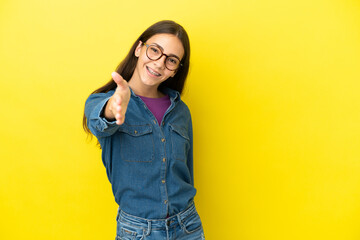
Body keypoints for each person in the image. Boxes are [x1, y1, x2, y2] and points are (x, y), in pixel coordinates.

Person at [83, 20, 205, 240]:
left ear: (176, 70)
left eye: (171, 60)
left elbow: (187, 170)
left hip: (187, 226)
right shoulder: (103, 101)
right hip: (139, 231)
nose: (159, 63)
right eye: (155, 50)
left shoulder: (181, 111)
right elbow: (100, 119)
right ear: (139, 48)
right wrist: (114, 107)